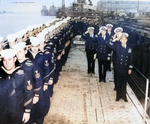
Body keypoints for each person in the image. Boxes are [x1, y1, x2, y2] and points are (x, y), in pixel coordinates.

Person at [0, 48, 33, 124]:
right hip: (2, 114)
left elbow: (28, 92)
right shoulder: (1, 75)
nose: (7, 63)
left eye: (9, 59)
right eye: (4, 60)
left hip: (18, 113)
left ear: (14, 59)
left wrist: (27, 111)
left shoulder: (22, 74)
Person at [107, 33, 133, 102]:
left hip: (125, 68)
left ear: (126, 40)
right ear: (120, 40)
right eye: (122, 39)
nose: (123, 41)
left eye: (125, 39)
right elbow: (108, 44)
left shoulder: (129, 48)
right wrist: (115, 39)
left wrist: (130, 68)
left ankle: (124, 96)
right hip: (118, 67)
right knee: (118, 82)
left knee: (124, 82)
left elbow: (131, 58)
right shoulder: (117, 46)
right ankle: (118, 96)